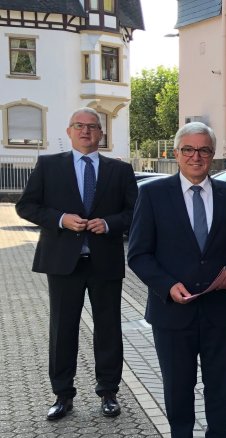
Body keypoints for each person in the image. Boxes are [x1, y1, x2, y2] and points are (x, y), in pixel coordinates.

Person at [127, 122, 226, 437]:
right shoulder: (152, 195)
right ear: (176, 153)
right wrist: (166, 285)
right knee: (177, 390)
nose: (195, 156)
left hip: (221, 313)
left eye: (203, 150)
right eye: (188, 149)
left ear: (212, 155)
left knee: (220, 390)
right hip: (171, 315)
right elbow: (138, 254)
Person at [16, 107, 137, 421]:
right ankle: (62, 395)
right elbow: (26, 206)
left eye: (92, 127)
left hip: (104, 261)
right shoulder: (48, 166)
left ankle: (108, 392)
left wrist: (109, 224)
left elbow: (134, 213)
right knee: (62, 330)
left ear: (101, 134)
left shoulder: (119, 171)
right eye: (79, 126)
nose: (86, 131)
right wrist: (60, 219)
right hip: (63, 263)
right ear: (69, 131)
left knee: (108, 329)